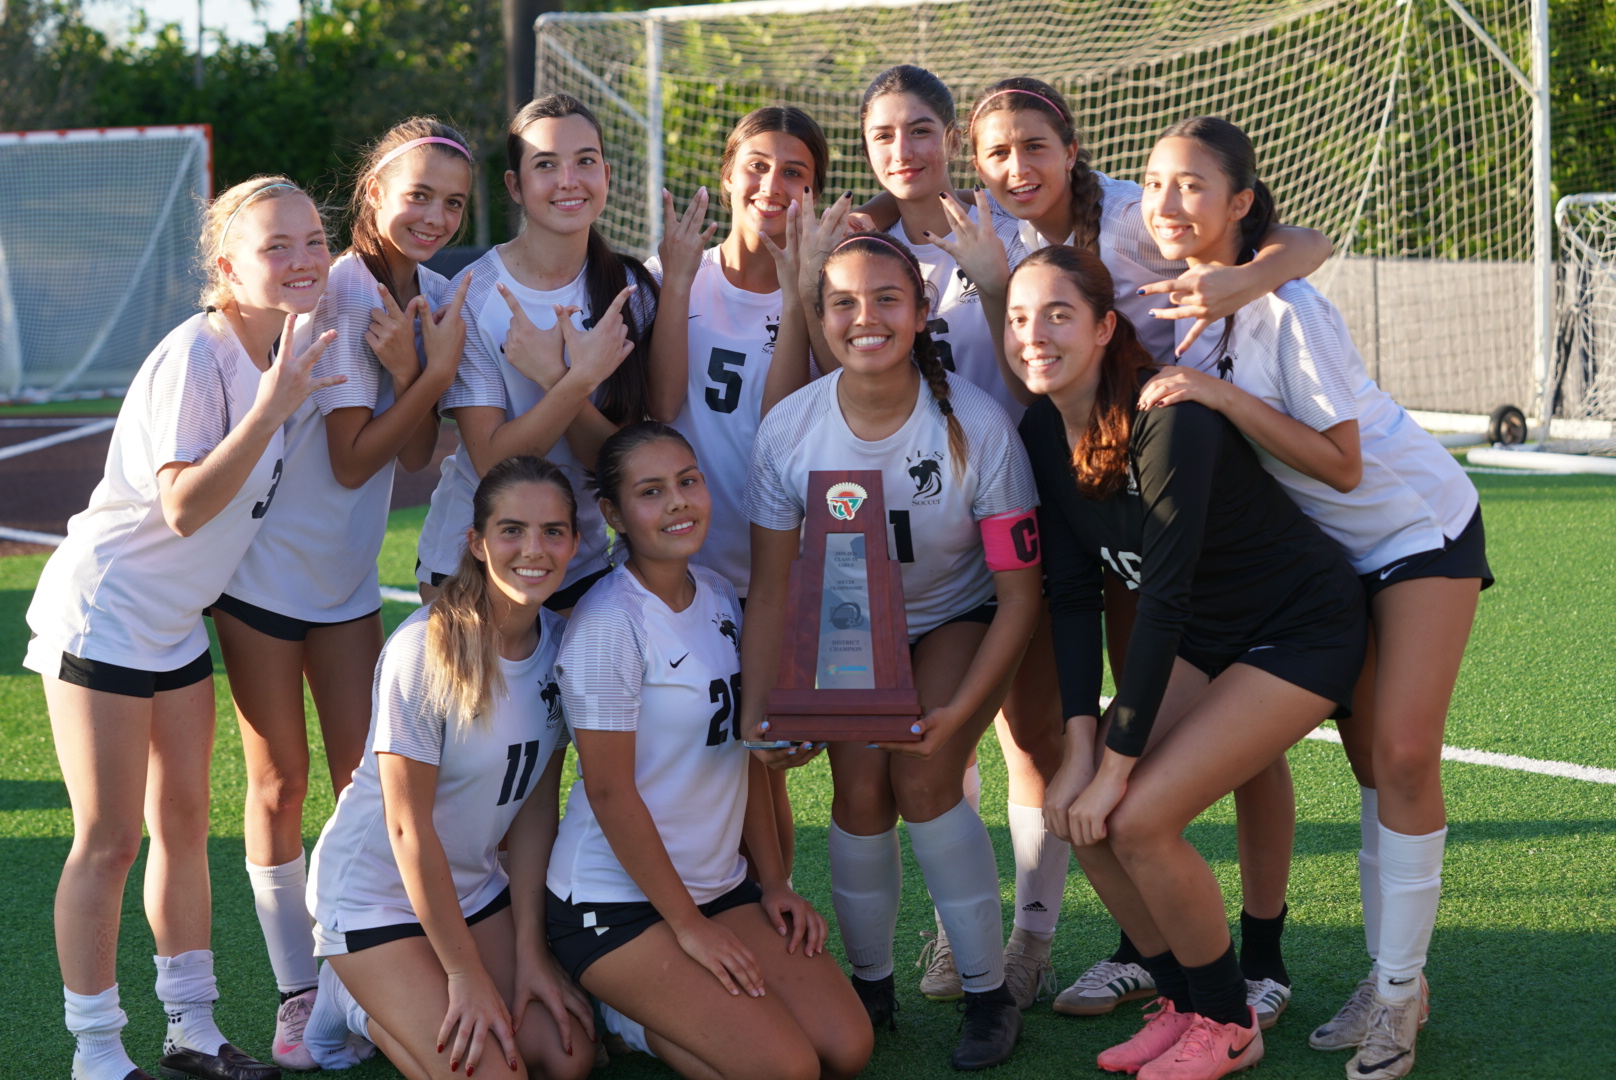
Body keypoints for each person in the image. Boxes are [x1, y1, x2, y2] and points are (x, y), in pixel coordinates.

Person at [966, 76, 1338, 1019]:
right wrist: (1094, 748)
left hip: (1238, 540)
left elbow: (1303, 241)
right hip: (1130, 512)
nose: (1018, 167)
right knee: (1087, 786)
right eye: (998, 152)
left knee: (1156, 789)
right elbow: (1072, 595)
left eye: (1035, 146)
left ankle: (1255, 971)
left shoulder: (1138, 215)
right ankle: (1169, 980)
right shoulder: (987, 250)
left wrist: (1246, 278)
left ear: (1073, 147)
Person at [1134, 116, 1492, 1080]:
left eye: (1193, 187)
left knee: (1408, 755)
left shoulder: (1286, 310)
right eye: (1155, 184)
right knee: (1373, 765)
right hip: (1330, 562)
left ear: (1240, 203)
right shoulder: (1163, 289)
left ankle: (1396, 992)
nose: (1167, 205)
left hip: (1417, 531)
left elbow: (1342, 465)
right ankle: (1393, 979)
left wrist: (1223, 397)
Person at [1009, 243, 1366, 1080]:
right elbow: (1070, 596)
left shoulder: (1169, 417)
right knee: (1078, 814)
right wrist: (1080, 750)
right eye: (1020, 317)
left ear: (1104, 328)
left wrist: (1114, 761)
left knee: (1133, 815)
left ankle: (1232, 1023)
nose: (1035, 335)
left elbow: (1159, 602)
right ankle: (1186, 1003)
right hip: (1211, 637)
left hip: (1299, 630)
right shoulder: (1036, 425)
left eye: (1059, 315)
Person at [25, 176, 339, 1080]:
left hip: (172, 628)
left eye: (313, 240)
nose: (303, 257)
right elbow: (186, 505)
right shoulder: (199, 356)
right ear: (227, 264)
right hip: (107, 613)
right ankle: (95, 1052)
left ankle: (192, 1034)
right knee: (110, 838)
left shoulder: (279, 344)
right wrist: (274, 407)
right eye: (276, 245)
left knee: (185, 826)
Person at [741, 233, 1043, 1070]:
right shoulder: (791, 428)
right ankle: (871, 986)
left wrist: (965, 707)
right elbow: (772, 587)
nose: (863, 318)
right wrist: (763, 705)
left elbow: (1019, 597)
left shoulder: (975, 425)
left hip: (956, 617)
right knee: (860, 789)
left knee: (923, 775)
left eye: (885, 299)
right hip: (847, 624)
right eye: (841, 301)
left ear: (918, 313)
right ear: (819, 316)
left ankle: (989, 992)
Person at [210, 118, 474, 1070]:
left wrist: (418, 375)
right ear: (372, 193)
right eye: (418, 195)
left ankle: (361, 980)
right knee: (280, 785)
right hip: (266, 577)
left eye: (453, 201)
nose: (436, 215)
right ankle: (299, 994)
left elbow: (410, 450)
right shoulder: (339, 291)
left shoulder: (436, 292)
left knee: (369, 785)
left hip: (347, 582)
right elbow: (354, 458)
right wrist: (432, 373)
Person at [545, 422, 872, 1080]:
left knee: (846, 1046)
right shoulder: (609, 624)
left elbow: (743, 754)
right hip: (613, 903)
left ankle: (654, 1014)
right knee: (788, 1069)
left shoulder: (721, 596)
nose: (677, 503)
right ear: (612, 514)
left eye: (687, 482)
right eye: (651, 491)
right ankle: (631, 1018)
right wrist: (689, 926)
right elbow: (610, 793)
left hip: (718, 887)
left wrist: (772, 882)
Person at [304, 455, 592, 1080]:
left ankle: (404, 991)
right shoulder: (423, 649)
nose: (533, 549)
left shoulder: (562, 644)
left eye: (553, 531)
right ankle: (354, 999)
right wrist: (464, 975)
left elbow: (536, 806)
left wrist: (530, 951)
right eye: (511, 530)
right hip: (375, 896)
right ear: (477, 542)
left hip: (471, 885)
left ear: (575, 541)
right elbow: (407, 830)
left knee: (565, 1055)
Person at [645, 104, 828, 877]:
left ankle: (775, 904)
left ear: (816, 193)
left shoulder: (825, 296)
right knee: (702, 755)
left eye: (796, 172)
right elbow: (657, 408)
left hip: (775, 569)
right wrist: (680, 280)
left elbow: (785, 426)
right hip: (685, 566)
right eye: (757, 165)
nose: (773, 185)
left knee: (761, 759)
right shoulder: (670, 276)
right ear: (726, 175)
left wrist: (797, 297)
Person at [416, 92, 658, 607]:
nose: (568, 180)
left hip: (582, 555)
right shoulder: (473, 295)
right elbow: (493, 462)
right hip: (476, 558)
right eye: (546, 165)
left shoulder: (631, 293)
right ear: (515, 186)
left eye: (585, 162)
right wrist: (576, 381)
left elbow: (619, 465)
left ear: (607, 177)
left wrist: (555, 377)